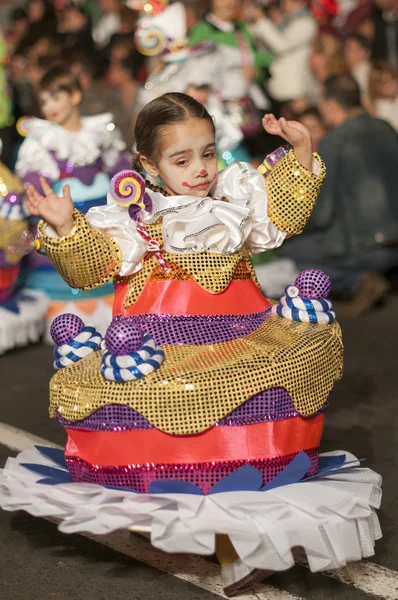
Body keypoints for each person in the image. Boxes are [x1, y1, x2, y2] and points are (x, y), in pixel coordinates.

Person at [14, 92, 381, 595]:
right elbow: (92, 264)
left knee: (242, 441)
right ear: (147, 162)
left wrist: (299, 152)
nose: (200, 169)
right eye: (181, 159)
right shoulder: (134, 219)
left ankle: (244, 547)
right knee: (181, 441)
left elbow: (284, 213)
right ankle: (225, 542)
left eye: (207, 153)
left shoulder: (234, 202)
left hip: (246, 335)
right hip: (159, 345)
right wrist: (63, 225)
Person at [15, 63, 130, 340]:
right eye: (43, 100)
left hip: (100, 217)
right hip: (63, 217)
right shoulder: (40, 139)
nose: (49, 106)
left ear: (75, 96)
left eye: (56, 97)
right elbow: (32, 182)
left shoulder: (100, 131)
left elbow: (120, 169)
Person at [279, 74, 398, 317]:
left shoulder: (335, 140)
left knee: (289, 254)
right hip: (393, 233)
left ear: (331, 105)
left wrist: (288, 228)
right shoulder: (384, 127)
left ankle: (358, 280)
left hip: (368, 243)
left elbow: (322, 213)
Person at [245, 0, 318, 104]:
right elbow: (266, 47)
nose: (282, 4)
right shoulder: (286, 22)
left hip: (295, 91)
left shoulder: (306, 23)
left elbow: (281, 45)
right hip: (278, 88)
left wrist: (261, 20)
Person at [368, 61, 398, 131]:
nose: (393, 85)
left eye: (394, 79)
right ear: (376, 86)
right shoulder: (376, 108)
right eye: (386, 83)